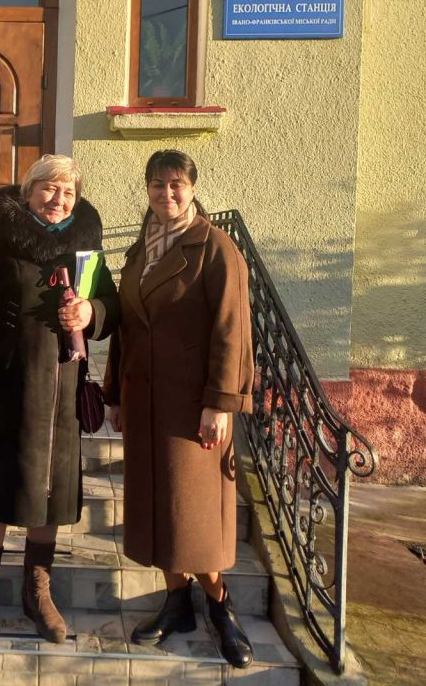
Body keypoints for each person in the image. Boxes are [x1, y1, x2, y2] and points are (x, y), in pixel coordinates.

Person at [0, 154, 119, 653]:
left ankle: (37, 593)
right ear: (27, 192)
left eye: (68, 192)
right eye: (49, 189)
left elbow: (113, 307)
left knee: (50, 497)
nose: (58, 200)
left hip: (61, 393)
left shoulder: (85, 246)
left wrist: (91, 311)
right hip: (3, 392)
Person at [102, 149, 255, 668]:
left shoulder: (215, 249)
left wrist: (220, 404)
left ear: (192, 188)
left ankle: (220, 606)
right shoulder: (140, 250)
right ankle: (176, 603)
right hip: (144, 400)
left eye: (176, 184)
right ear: (146, 189)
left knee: (194, 515)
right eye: (157, 184)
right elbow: (127, 327)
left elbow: (232, 332)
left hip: (192, 406)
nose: (166, 193)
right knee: (158, 510)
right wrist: (115, 394)